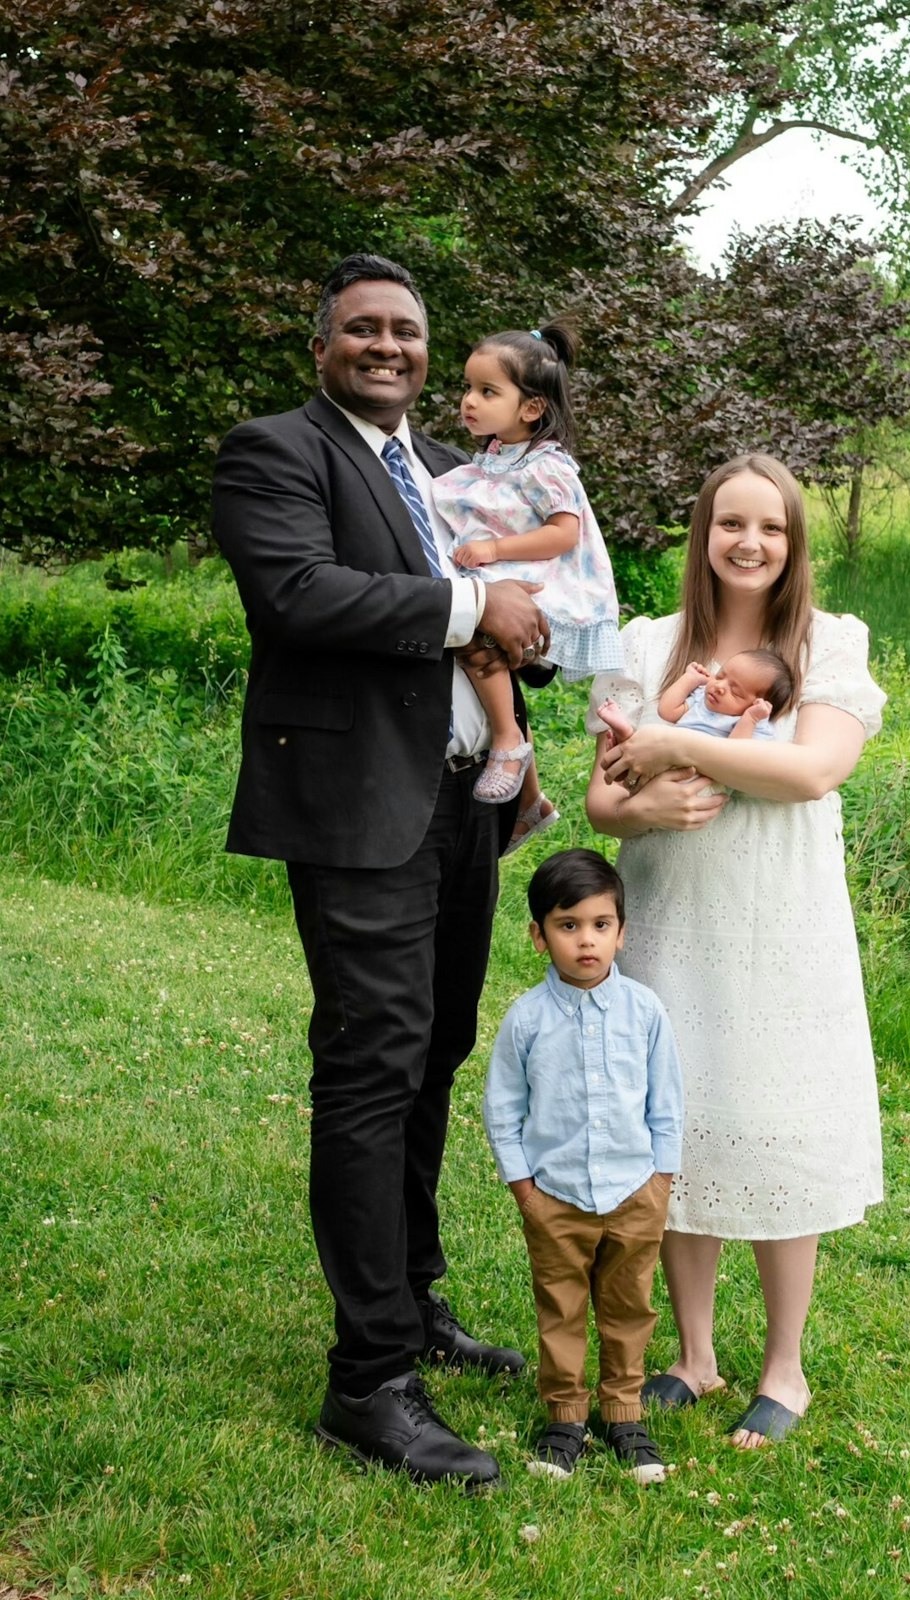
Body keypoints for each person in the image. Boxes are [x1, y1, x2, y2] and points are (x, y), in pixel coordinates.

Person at [212, 252, 553, 1491]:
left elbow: (473, 602)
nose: (388, 346)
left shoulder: (431, 468)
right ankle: (368, 1382)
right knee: (370, 1065)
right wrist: (474, 610)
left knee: (434, 1050)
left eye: (405, 331)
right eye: (361, 329)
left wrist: (529, 638)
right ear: (322, 347)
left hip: (460, 804)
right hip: (358, 812)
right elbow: (301, 596)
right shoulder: (277, 451)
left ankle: (413, 1308)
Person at [585, 453, 886, 1447]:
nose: (748, 542)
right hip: (671, 909)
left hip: (778, 920)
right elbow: (599, 798)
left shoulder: (825, 645)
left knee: (771, 1121)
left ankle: (783, 1368)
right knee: (683, 1123)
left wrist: (681, 748)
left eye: (770, 527)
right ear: (702, 534)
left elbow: (810, 771)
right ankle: (693, 1354)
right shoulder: (650, 642)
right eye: (728, 523)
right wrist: (646, 796)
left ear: (794, 543)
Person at [482, 849, 683, 1483]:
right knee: (561, 1306)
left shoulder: (646, 1012)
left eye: (601, 925)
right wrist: (525, 1189)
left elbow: (666, 1104)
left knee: (629, 1306)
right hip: (556, 1196)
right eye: (568, 926)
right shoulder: (526, 1021)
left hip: (634, 1191)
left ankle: (624, 1411)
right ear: (538, 935)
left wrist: (660, 1182)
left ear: (622, 933)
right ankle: (565, 1416)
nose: (587, 941)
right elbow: (503, 1109)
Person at [431, 322, 623, 853]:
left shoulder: (548, 464)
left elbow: (565, 532)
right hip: (506, 576)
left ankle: (510, 745)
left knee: (475, 641)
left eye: (487, 391)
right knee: (478, 654)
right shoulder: (497, 455)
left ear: (532, 408)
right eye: (467, 388)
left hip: (547, 585)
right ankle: (530, 800)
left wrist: (492, 551)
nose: (469, 401)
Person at [598, 647, 793, 746]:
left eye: (735, 692)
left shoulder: (750, 723)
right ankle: (626, 736)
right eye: (720, 675)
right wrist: (689, 679)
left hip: (701, 774)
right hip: (668, 753)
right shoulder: (702, 703)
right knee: (642, 751)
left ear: (757, 705)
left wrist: (750, 718)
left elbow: (736, 752)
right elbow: (667, 711)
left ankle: (626, 739)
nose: (719, 687)